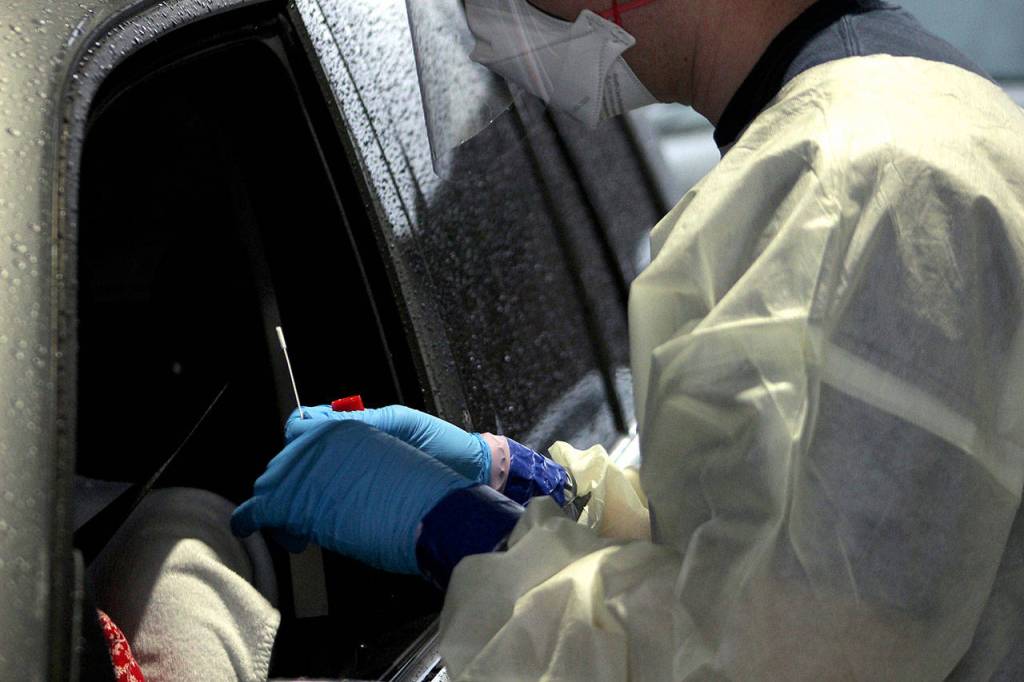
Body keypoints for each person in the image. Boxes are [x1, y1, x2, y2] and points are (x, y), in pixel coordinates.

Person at [232, 0, 1024, 679]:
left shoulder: (855, 180)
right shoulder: (889, 113)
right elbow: (796, 531)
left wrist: (466, 535)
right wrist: (533, 483)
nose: (480, 34)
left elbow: (779, 653)